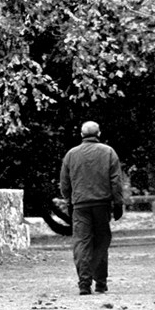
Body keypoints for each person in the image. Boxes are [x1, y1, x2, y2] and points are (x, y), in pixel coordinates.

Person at [59, 120, 124, 295]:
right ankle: (100, 283)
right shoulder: (109, 152)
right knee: (101, 241)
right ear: (99, 134)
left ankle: (84, 283)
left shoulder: (71, 155)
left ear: (81, 135)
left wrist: (69, 200)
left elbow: (64, 183)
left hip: (80, 205)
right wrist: (118, 203)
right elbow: (116, 181)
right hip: (102, 204)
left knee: (82, 242)